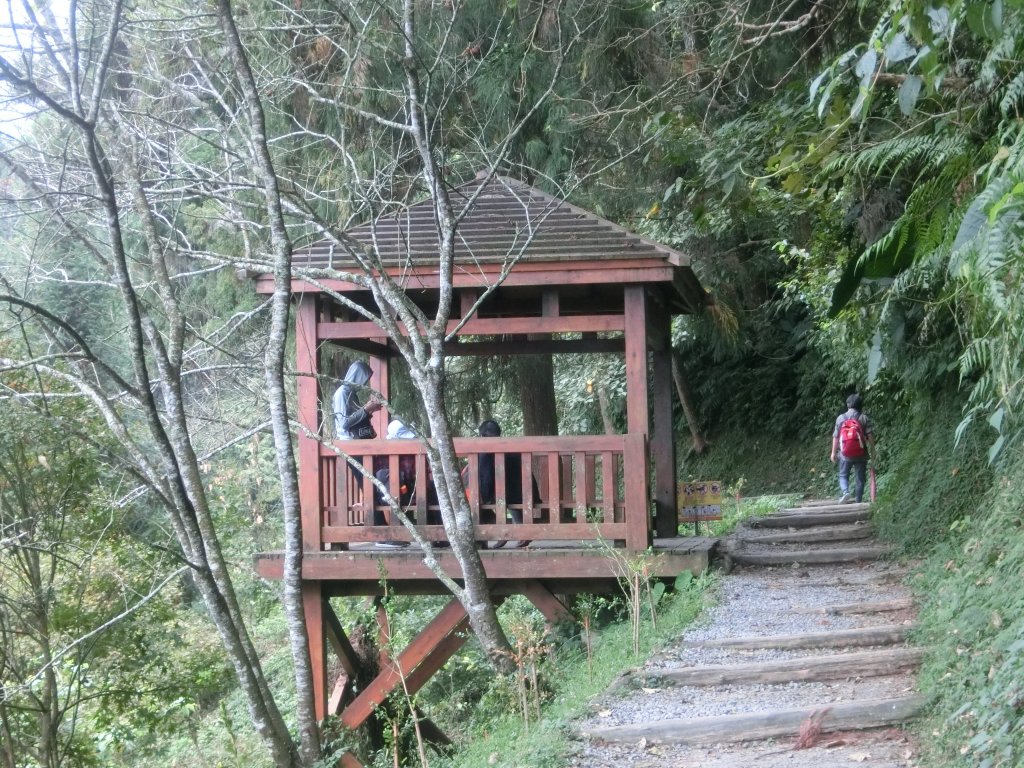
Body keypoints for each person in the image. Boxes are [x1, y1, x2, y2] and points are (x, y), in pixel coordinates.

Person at [476, 419, 540, 549]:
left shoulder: (485, 452)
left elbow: (486, 478)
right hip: (529, 493)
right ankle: (521, 531)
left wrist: (485, 497)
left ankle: (500, 532)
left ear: (482, 436)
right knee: (508, 493)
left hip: (506, 495)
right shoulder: (511, 447)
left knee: (477, 502)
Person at [372, 419, 417, 549]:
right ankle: (396, 535)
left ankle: (397, 532)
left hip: (391, 494)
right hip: (403, 494)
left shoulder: (381, 453)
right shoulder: (408, 453)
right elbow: (413, 476)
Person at [830, 393, 875, 503]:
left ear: (848, 404)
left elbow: (836, 437)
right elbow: (870, 436)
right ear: (860, 405)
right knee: (860, 479)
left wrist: (833, 453)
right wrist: (873, 450)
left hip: (845, 454)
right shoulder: (863, 418)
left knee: (843, 475)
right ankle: (858, 502)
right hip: (861, 453)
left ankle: (846, 492)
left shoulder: (840, 418)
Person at [333, 360, 381, 440]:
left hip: (359, 439)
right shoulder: (342, 393)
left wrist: (370, 410)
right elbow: (344, 424)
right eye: (363, 379)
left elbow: (355, 418)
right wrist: (366, 409)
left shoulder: (352, 393)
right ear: (356, 376)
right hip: (349, 441)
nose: (364, 384)